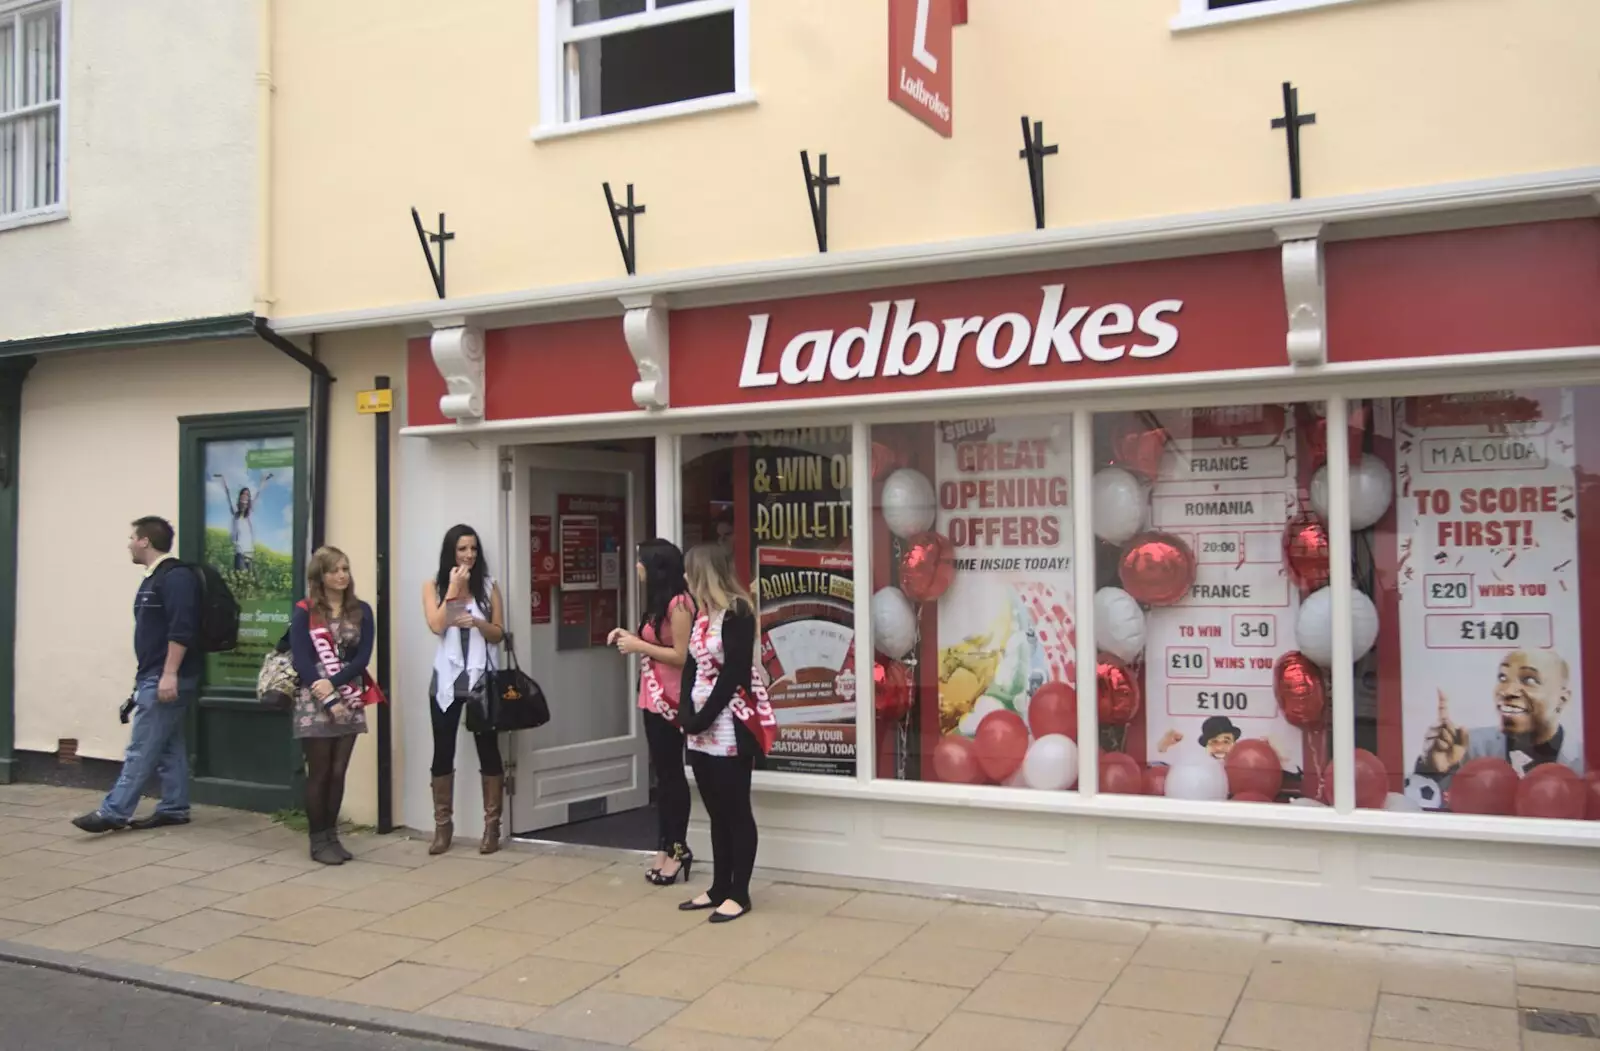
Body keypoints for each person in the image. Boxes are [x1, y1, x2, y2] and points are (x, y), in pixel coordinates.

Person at [73, 518, 203, 833]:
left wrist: (169, 674)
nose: (129, 543)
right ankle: (174, 806)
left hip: (166, 675)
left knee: (140, 748)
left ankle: (113, 812)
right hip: (153, 674)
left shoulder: (175, 577)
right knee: (169, 745)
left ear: (145, 541)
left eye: (132, 537)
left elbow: (181, 629)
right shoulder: (154, 578)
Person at [676, 543, 770, 923]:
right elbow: (690, 666)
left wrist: (703, 717)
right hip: (700, 724)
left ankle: (739, 892)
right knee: (714, 809)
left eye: (689, 571)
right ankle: (718, 886)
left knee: (735, 809)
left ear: (703, 574)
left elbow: (734, 674)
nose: (684, 578)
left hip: (729, 724)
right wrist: (686, 713)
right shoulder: (701, 615)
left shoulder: (738, 612)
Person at [607, 539, 695, 886]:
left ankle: (678, 850)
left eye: (641, 562)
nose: (637, 568)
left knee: (673, 776)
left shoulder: (680, 604)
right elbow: (655, 643)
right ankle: (663, 845)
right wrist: (628, 636)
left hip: (671, 702)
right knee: (662, 775)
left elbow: (681, 655)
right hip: (651, 697)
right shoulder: (658, 603)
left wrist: (639, 645)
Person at [422, 524, 506, 855]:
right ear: (450, 553)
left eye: (473, 549)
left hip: (482, 678)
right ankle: (443, 827)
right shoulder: (434, 585)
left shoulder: (488, 587)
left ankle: (492, 828)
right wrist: (454, 588)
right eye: (462, 549)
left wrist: (480, 625)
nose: (469, 555)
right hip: (447, 678)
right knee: (443, 749)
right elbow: (437, 625)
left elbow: (499, 633)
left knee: (488, 749)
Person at [289, 546, 374, 865]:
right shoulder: (306, 610)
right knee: (320, 772)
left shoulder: (361, 610)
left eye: (346, 569)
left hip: (349, 695)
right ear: (320, 575)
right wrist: (324, 692)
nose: (342, 575)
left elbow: (363, 658)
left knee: (339, 772)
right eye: (335, 570)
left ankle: (332, 836)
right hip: (315, 698)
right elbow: (301, 657)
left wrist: (337, 686)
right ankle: (317, 839)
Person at [1420, 649, 1580, 780]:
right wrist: (1435, 770)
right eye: (1502, 677)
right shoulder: (1468, 747)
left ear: (1562, 699)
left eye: (1529, 680)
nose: (1507, 691)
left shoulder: (1585, 759)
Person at [215, 472, 272, 574]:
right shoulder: (235, 512)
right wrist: (222, 479)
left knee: (248, 581)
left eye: (247, 495)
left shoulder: (249, 514)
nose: (245, 496)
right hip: (240, 552)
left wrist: (263, 481)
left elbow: (257, 494)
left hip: (249, 552)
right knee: (241, 578)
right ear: (240, 497)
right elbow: (228, 494)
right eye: (243, 494)